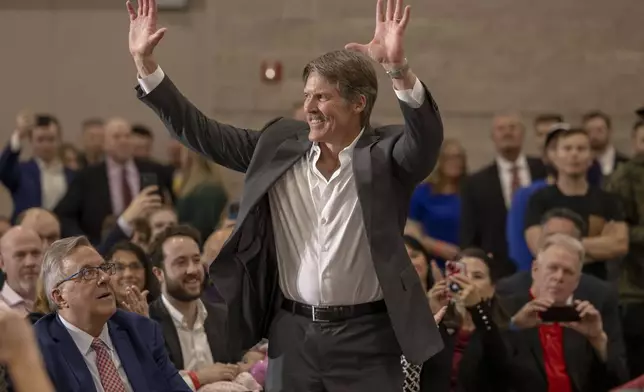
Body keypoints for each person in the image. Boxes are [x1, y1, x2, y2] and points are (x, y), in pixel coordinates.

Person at [127, 0, 444, 390]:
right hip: (293, 336)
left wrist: (398, 70)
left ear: (358, 104)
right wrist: (146, 65)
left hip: (369, 338)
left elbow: (425, 142)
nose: (308, 107)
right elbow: (203, 132)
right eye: (307, 96)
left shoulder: (387, 154)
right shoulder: (279, 146)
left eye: (322, 97)